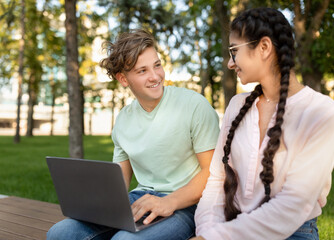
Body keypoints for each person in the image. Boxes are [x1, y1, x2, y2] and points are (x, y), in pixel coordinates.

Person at [46, 29, 220, 240]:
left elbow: (212, 173)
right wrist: (96, 204)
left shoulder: (194, 105)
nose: (155, 76)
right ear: (123, 79)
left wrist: (167, 202)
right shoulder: (123, 120)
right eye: (142, 71)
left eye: (157, 65)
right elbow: (119, 182)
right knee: (60, 233)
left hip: (185, 205)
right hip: (140, 198)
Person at [192, 7, 334, 240]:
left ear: (264, 47)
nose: (230, 63)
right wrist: (207, 231)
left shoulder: (321, 112)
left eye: (234, 51)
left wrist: (215, 238)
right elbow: (217, 181)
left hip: (293, 232)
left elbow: (292, 205)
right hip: (230, 226)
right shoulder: (237, 106)